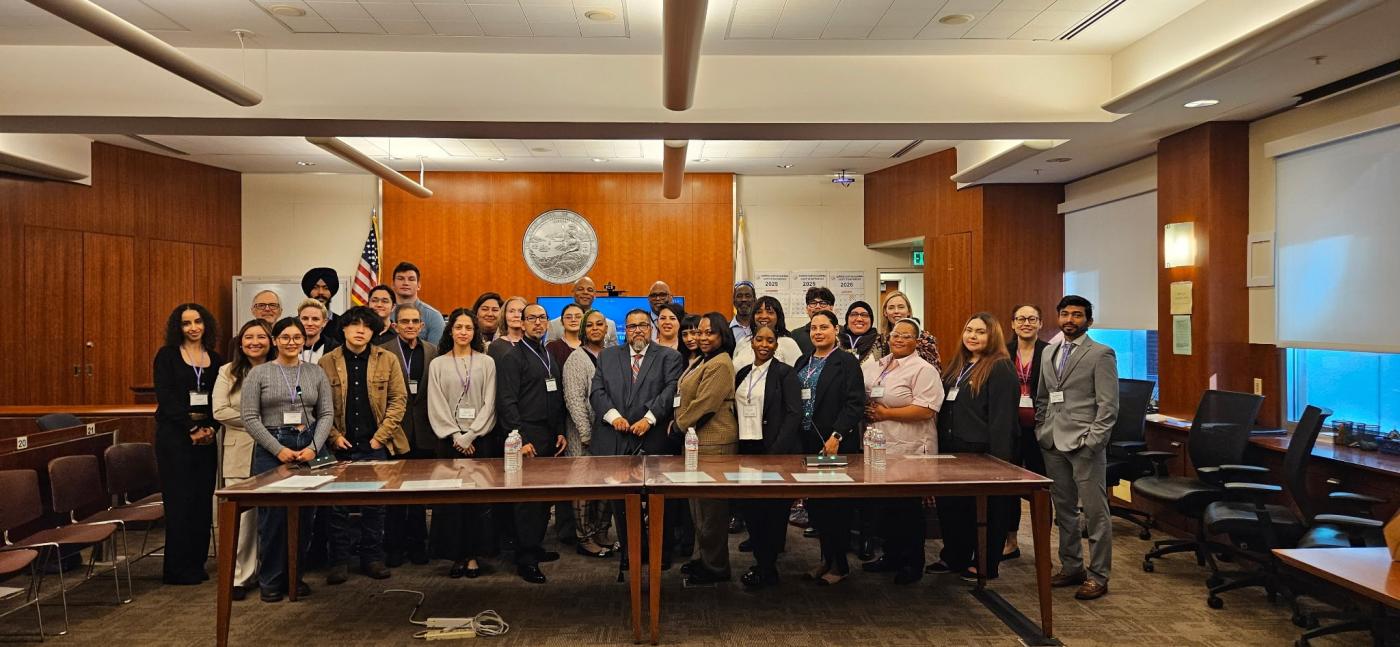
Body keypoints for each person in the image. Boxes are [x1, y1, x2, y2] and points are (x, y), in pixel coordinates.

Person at [241, 317, 335, 602]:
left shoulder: (315, 372)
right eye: (285, 337)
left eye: (297, 337)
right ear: (275, 341)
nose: (292, 342)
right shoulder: (258, 374)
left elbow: (326, 414)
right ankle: (271, 579)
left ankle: (295, 577)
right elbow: (249, 417)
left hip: (306, 446)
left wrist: (314, 447)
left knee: (304, 518)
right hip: (272, 449)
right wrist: (277, 449)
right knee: (273, 519)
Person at [317, 306, 408, 584]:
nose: (360, 330)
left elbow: (398, 400)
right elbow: (320, 406)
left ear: (373, 331)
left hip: (375, 443)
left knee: (375, 505)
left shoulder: (388, 359)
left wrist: (381, 436)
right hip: (340, 444)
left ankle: (373, 558)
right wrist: (332, 435)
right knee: (337, 506)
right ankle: (340, 561)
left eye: (366, 326)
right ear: (343, 329)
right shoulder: (327, 362)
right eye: (354, 325)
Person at [1036, 295, 1118, 601]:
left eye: (1077, 315)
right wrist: (1041, 429)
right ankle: (1072, 567)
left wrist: (1094, 441)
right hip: (1052, 441)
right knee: (1065, 511)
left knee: (1095, 514)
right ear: (1058, 318)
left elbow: (1108, 406)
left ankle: (1099, 575)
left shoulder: (1101, 354)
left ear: (1089, 321)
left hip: (1085, 443)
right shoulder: (1050, 352)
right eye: (1065, 314)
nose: (1070, 319)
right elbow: (1044, 397)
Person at [590, 309, 684, 573]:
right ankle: (630, 553)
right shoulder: (607, 356)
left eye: (643, 325)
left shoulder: (669, 357)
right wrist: (613, 416)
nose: (638, 330)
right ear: (625, 330)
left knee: (658, 499)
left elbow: (670, 392)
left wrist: (650, 418)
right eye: (632, 326)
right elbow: (596, 392)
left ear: (651, 328)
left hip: (653, 438)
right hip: (617, 438)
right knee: (622, 501)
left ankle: (660, 553)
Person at [928, 312, 1019, 582]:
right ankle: (954, 557)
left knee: (987, 511)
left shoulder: (1000, 367)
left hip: (983, 453)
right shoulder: (958, 365)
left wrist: (1000, 463)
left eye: (980, 332)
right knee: (954, 508)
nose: (973, 336)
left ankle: (985, 563)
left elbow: (1003, 419)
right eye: (969, 330)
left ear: (993, 336)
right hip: (951, 450)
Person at [860, 318, 943, 584]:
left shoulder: (923, 369)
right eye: (896, 335)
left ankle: (912, 562)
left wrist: (886, 412)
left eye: (906, 336)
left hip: (910, 447)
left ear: (917, 342)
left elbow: (926, 409)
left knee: (908, 507)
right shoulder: (879, 365)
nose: (899, 339)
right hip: (880, 446)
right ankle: (891, 555)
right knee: (886, 506)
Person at [495, 303, 569, 583]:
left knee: (542, 497)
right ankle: (525, 558)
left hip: (550, 434)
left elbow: (556, 393)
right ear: (521, 324)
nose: (537, 323)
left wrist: (560, 430)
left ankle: (535, 545)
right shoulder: (514, 358)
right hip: (527, 435)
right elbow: (507, 401)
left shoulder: (547, 353)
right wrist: (520, 439)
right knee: (527, 500)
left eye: (542, 318)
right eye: (531, 319)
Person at [153, 303, 224, 586]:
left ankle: (197, 563)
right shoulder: (167, 356)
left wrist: (209, 428)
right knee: (179, 501)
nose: (193, 327)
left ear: (206, 325)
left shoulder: (215, 359)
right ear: (177, 327)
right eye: (186, 323)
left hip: (206, 438)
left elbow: (220, 399)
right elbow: (166, 398)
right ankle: (177, 568)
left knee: (201, 501)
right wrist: (192, 428)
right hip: (175, 439)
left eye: (198, 322)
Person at [793, 309, 865, 586]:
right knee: (818, 506)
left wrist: (837, 435)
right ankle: (826, 560)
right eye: (814, 327)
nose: (818, 332)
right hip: (808, 441)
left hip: (834, 443)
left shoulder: (846, 362)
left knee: (836, 505)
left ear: (836, 330)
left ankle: (841, 565)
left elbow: (854, 403)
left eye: (824, 327)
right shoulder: (803, 360)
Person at [426, 308, 497, 579]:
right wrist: (456, 435)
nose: (464, 332)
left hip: (480, 440)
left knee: (478, 500)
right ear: (450, 331)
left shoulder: (486, 362)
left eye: (468, 327)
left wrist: (472, 434)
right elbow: (436, 403)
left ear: (474, 332)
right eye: (458, 327)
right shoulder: (438, 364)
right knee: (452, 502)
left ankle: (474, 556)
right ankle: (456, 555)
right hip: (449, 442)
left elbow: (490, 403)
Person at [733, 324, 802, 588]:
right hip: (746, 449)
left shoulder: (785, 374)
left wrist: (775, 453)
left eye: (770, 341)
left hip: (772, 450)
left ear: (776, 345)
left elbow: (793, 414)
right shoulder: (742, 374)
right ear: (752, 343)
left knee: (772, 510)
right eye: (759, 339)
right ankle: (761, 560)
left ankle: (768, 567)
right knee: (751, 507)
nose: (764, 344)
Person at [673, 312, 738, 586]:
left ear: (722, 335)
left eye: (709, 333)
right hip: (697, 441)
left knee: (712, 509)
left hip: (715, 442)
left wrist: (677, 424)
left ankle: (717, 566)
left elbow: (706, 404)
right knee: (698, 506)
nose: (702, 337)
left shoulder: (721, 363)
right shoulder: (703, 359)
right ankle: (705, 559)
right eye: (699, 332)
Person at [212, 319, 273, 600]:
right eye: (249, 337)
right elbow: (220, 411)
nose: (255, 342)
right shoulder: (228, 371)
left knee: (272, 516)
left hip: (275, 451)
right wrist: (258, 424)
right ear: (240, 342)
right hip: (239, 450)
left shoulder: (279, 369)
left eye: (261, 337)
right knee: (243, 518)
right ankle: (239, 576)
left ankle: (269, 572)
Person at [381, 302, 438, 567]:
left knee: (418, 492)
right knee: (394, 493)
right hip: (395, 430)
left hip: (424, 431)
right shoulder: (383, 352)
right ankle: (394, 546)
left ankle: (418, 545)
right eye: (405, 322)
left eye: (415, 322)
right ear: (395, 325)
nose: (411, 326)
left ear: (422, 326)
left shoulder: (432, 351)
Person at [563, 309, 617, 559]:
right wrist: (586, 434)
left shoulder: (611, 356)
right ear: (584, 330)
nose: (595, 328)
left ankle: (602, 533)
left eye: (600, 324)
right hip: (583, 436)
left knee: (607, 486)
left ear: (606, 329)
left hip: (609, 433)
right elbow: (574, 399)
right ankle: (585, 537)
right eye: (590, 325)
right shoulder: (576, 359)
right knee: (584, 488)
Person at [1004, 304, 1049, 560]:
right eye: (1020, 318)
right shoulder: (1004, 352)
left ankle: (1044, 546)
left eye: (1032, 319)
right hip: (1011, 428)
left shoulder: (1049, 352)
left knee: (1040, 489)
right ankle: (1010, 541)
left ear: (1040, 323)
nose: (1026, 323)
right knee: (1009, 487)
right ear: (1012, 324)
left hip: (1040, 429)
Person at [732, 295, 802, 370]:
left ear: (778, 317)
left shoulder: (788, 343)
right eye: (759, 312)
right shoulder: (743, 342)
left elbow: (797, 375)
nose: (764, 316)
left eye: (770, 312)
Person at [876, 291, 941, 368]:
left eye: (901, 307)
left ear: (909, 311)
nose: (896, 311)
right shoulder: (880, 340)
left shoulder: (925, 338)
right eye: (891, 308)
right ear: (885, 312)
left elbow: (934, 369)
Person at [547, 276, 617, 346]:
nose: (585, 292)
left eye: (590, 290)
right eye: (580, 289)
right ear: (573, 293)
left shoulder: (610, 325)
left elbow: (614, 355)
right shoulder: (554, 325)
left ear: (595, 295)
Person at [389, 261, 445, 345]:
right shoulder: (385, 313)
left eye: (411, 279)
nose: (405, 283)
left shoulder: (433, 316)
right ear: (393, 284)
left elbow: (436, 353)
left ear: (419, 285)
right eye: (400, 279)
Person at [302, 267, 344, 344]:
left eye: (326, 288)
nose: (320, 292)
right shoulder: (297, 324)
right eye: (315, 287)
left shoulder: (343, 324)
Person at [791, 286, 835, 356]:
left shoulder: (843, 333)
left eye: (823, 303)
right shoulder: (795, 335)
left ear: (831, 307)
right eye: (813, 303)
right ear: (807, 308)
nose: (817, 306)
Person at [297, 298, 339, 364]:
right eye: (305, 319)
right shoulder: (288, 345)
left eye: (315, 319)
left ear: (324, 322)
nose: (309, 323)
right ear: (298, 320)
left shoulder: (335, 349)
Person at [487, 295, 527, 362]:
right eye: (511, 311)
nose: (516, 315)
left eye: (521, 311)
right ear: (504, 315)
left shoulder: (535, 343)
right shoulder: (496, 346)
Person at [545, 302, 585, 368]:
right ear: (561, 321)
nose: (573, 320)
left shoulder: (591, 345)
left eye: (578, 317)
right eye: (568, 317)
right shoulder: (552, 348)